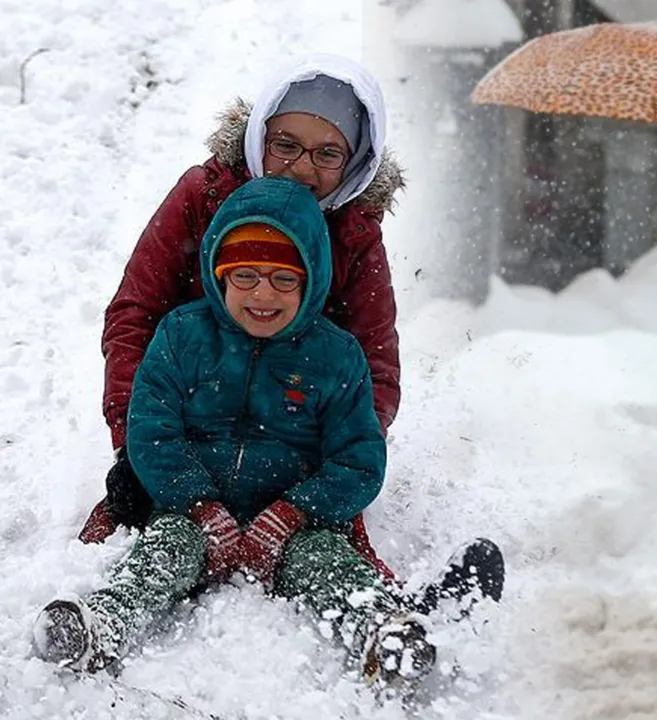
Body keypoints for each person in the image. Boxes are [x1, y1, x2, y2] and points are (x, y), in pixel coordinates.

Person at [33, 177, 436, 692]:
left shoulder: (336, 357)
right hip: (192, 511)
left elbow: (358, 459)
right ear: (218, 274)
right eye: (244, 275)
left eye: (284, 279)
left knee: (328, 563)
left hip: (295, 521)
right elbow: (152, 433)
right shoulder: (181, 336)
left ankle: (381, 631)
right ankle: (101, 625)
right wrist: (198, 504)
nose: (262, 294)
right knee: (165, 549)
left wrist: (294, 513)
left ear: (312, 279)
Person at [79, 55, 404, 583]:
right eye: (285, 145)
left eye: (327, 153)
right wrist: (134, 439)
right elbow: (134, 313)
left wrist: (333, 467)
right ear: (259, 136)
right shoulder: (205, 196)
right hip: (195, 410)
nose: (302, 167)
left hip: (295, 427)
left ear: (355, 162)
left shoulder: (354, 232)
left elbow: (375, 364)